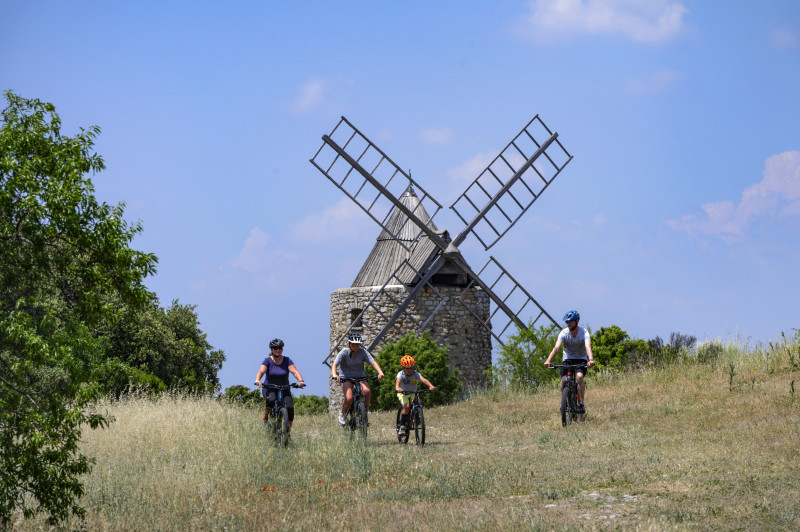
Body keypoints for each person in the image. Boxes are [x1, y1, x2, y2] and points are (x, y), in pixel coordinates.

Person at [544, 310, 595, 412]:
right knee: (564, 381)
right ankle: (565, 403)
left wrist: (590, 360)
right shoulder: (564, 333)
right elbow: (556, 348)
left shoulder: (584, 332)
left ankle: (581, 403)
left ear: (577, 321)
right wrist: (548, 360)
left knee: (579, 377)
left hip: (581, 358)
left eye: (571, 322)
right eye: (567, 322)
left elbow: (588, 347)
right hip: (568, 359)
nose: (569, 324)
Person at [330, 333, 384, 426]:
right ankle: (342, 414)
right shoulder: (344, 352)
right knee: (349, 398)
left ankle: (365, 414)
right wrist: (335, 374)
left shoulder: (362, 352)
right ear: (349, 344)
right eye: (353, 345)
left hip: (360, 377)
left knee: (367, 391)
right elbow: (335, 364)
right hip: (346, 377)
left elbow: (373, 362)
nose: (356, 347)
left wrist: (380, 372)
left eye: (358, 345)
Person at [254, 338, 306, 428]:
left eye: (280, 348)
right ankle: (265, 417)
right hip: (269, 387)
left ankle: (288, 433)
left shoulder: (287, 360)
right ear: (271, 349)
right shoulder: (267, 361)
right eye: (275, 348)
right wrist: (258, 380)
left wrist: (300, 380)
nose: (278, 350)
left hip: (284, 388)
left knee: (289, 407)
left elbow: (294, 372)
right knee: (271, 400)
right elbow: (261, 371)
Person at [395, 355, 434, 435]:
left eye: (411, 368)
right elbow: (397, 383)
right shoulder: (400, 374)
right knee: (406, 406)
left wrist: (430, 386)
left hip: (413, 393)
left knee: (418, 404)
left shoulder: (415, 374)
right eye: (407, 368)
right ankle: (402, 426)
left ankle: (417, 418)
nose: (409, 370)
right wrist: (398, 388)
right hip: (403, 393)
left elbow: (423, 380)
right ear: (403, 368)